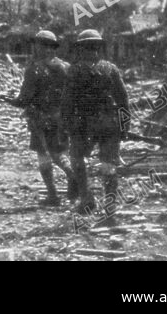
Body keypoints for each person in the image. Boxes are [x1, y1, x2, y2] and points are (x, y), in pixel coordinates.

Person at [61, 29, 129, 214]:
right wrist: (124, 127)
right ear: (98, 48)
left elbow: (67, 102)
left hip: (82, 123)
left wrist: (65, 126)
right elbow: (123, 99)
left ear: (80, 49)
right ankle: (110, 205)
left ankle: (87, 199)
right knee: (108, 164)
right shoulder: (111, 68)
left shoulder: (74, 70)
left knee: (77, 159)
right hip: (109, 122)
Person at [11, 30, 76, 206]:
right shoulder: (67, 67)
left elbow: (24, 99)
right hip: (62, 118)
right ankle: (71, 180)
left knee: (44, 155)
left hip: (40, 119)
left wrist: (12, 101)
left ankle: (54, 194)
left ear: (41, 47)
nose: (35, 49)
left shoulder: (34, 70)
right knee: (61, 153)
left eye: (37, 45)